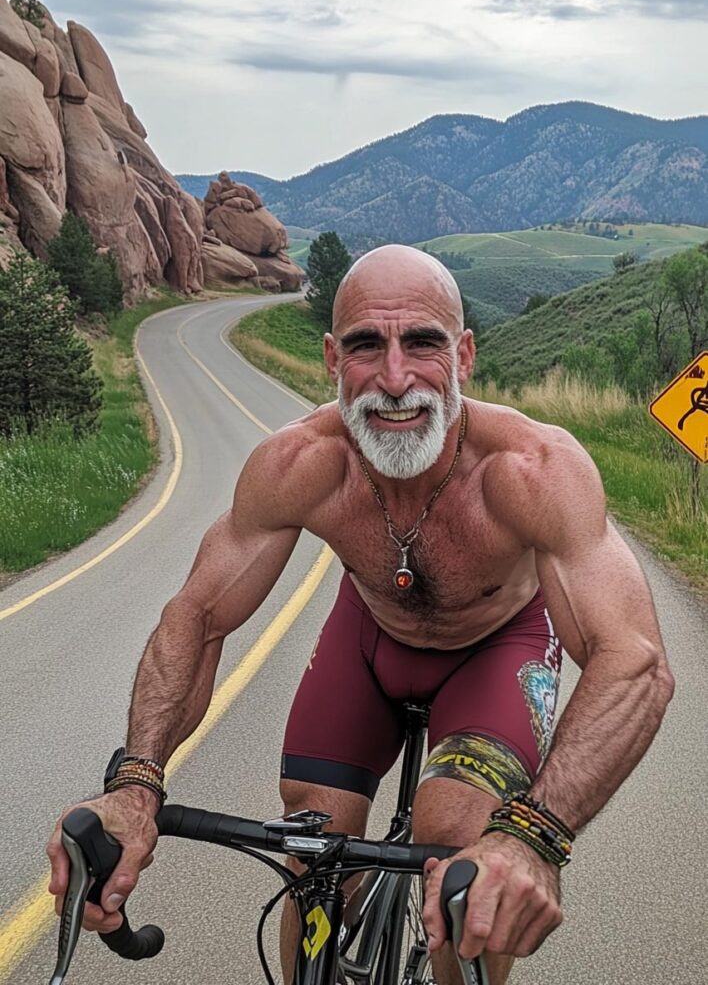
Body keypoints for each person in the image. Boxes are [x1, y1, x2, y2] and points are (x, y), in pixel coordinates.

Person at [47, 245, 674, 984]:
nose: (395, 378)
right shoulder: (301, 464)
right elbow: (198, 616)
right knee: (311, 849)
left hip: (499, 645)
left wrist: (534, 836)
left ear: (465, 355)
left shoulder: (532, 470)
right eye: (366, 345)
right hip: (371, 641)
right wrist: (135, 784)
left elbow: (635, 663)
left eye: (424, 343)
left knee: (459, 842)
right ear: (331, 359)